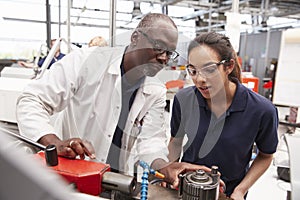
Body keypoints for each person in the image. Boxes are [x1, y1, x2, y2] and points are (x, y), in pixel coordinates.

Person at [16, 13, 187, 175]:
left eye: (169, 53)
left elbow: (151, 142)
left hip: (116, 178)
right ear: (135, 38)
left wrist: (163, 167)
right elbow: (32, 100)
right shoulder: (86, 62)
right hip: (73, 170)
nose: (164, 58)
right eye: (158, 48)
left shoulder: (156, 91)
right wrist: (54, 143)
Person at [158, 32, 278, 199]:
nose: (199, 79)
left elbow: (265, 156)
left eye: (209, 70)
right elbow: (176, 142)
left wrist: (240, 190)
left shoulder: (262, 110)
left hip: (228, 193)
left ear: (228, 66)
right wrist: (169, 170)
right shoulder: (183, 100)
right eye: (193, 71)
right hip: (187, 189)